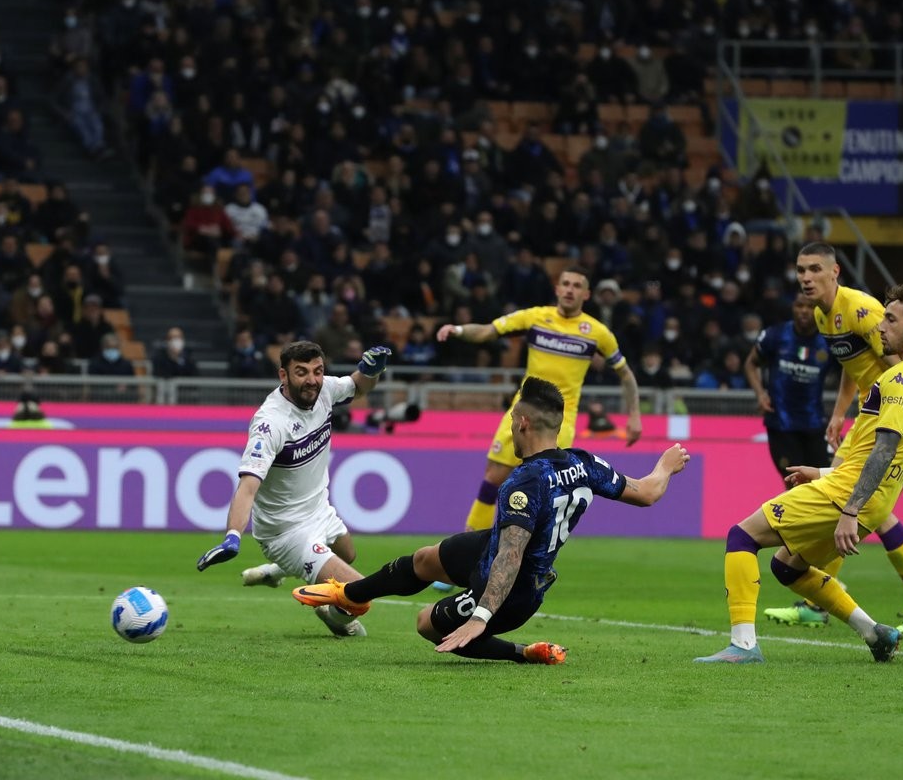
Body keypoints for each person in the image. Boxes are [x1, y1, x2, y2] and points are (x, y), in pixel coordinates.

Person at [291, 376, 690, 663]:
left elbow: (511, 556)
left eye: (512, 422)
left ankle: (526, 653)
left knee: (427, 625)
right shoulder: (585, 463)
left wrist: (481, 615)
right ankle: (353, 597)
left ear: (523, 424)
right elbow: (649, 492)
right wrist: (666, 466)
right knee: (426, 559)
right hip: (492, 548)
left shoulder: (523, 482)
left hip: (516, 588)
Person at [697, 284, 903, 664]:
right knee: (786, 566)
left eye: (891, 320)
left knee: (741, 537)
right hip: (872, 499)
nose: (881, 327)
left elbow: (884, 449)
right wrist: (823, 471)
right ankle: (875, 633)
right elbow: (882, 456)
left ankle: (743, 645)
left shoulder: (899, 380)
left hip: (847, 497)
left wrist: (848, 509)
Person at [761, 244, 903, 633]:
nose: (805, 278)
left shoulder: (862, 309)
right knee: (861, 503)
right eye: (800, 270)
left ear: (835, 272)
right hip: (865, 413)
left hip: (882, 415)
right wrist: (839, 412)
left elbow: (900, 365)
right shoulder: (826, 316)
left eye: (813, 269)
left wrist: (892, 416)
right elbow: (852, 364)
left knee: (858, 502)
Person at [196, 341, 392, 638]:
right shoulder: (270, 424)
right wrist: (232, 537)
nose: (312, 380)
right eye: (301, 372)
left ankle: (275, 572)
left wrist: (371, 370)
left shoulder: (324, 389)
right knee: (361, 592)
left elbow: (359, 386)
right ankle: (332, 615)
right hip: (285, 532)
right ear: (283, 376)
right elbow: (247, 487)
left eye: (317, 371)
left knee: (348, 553)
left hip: (318, 510)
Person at [436, 265, 643, 533]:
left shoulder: (596, 332)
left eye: (576, 285)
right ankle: (466, 550)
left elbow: (625, 374)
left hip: (559, 422)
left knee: (544, 490)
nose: (570, 289)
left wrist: (634, 415)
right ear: (557, 289)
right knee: (493, 479)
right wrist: (460, 330)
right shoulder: (535, 317)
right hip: (521, 414)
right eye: (565, 284)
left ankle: (534, 562)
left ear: (586, 294)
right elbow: (490, 330)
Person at [744, 296, 833, 477]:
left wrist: (839, 411)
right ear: (793, 307)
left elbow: (850, 373)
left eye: (810, 306)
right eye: (799, 305)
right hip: (780, 425)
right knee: (793, 483)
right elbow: (751, 364)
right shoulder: (775, 335)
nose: (804, 311)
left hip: (815, 424)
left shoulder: (829, 341)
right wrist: (760, 394)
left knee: (824, 485)